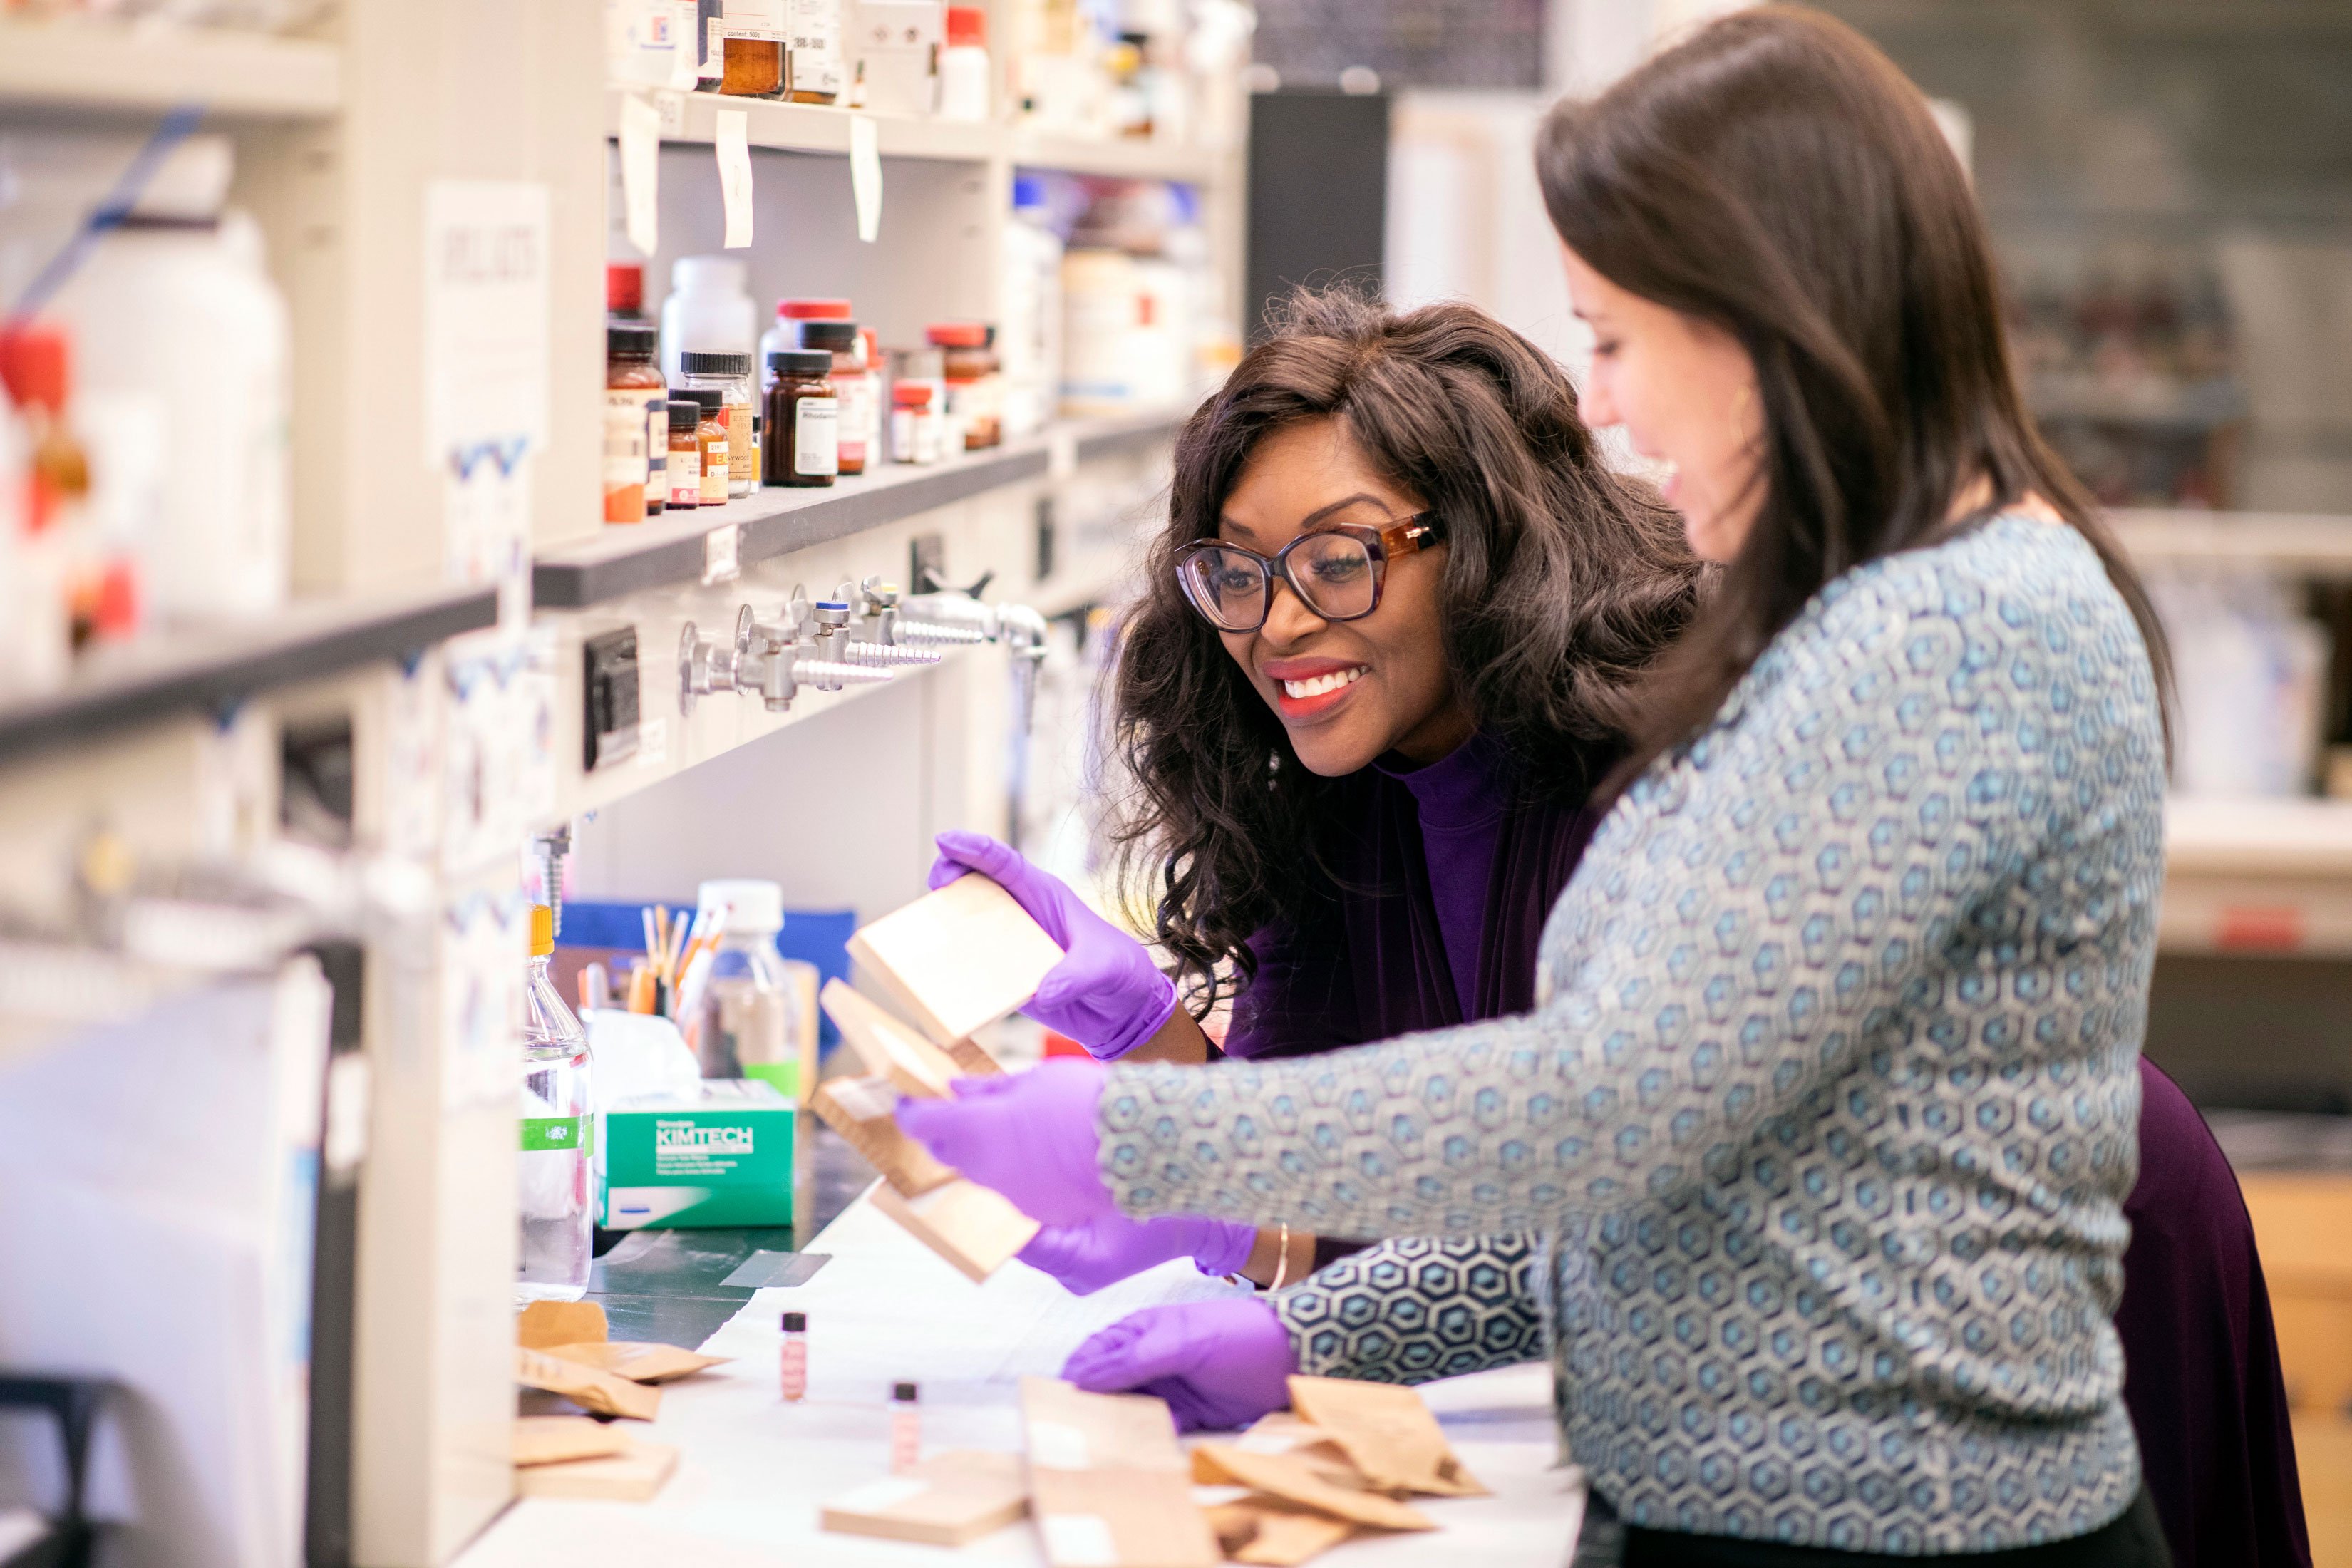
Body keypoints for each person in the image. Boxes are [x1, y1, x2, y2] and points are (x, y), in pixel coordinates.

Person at [900, 10, 2242, 1562]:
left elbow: (1606, 1106)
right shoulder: (1855, 609)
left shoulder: (1954, 627)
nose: (1599, 405)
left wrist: (1143, 1138)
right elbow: (1672, 1189)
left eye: (1615, 336)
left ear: (1762, 313)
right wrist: (1316, 1330)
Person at [929, 286, 1701, 1307]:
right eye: (1238, 572)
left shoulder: (1655, 781)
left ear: (1484, 542)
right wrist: (1144, 1031)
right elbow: (1300, 1181)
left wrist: (1221, 1209)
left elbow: (1598, 1220)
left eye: (1339, 561)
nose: (1279, 625)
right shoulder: (1322, 800)